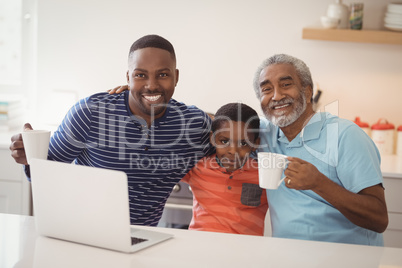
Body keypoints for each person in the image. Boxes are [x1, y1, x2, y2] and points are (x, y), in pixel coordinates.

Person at [10, 34, 212, 226]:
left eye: (163, 74)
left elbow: (232, 135)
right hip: (80, 233)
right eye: (140, 75)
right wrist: (28, 154)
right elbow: (43, 170)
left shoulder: (195, 125)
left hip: (143, 240)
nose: (151, 85)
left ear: (176, 77)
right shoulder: (90, 113)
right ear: (128, 77)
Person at [253, 53, 388, 246]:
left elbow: (379, 219)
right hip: (287, 257)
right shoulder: (264, 134)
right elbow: (219, 122)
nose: (276, 96)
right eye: (267, 89)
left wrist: (319, 183)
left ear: (307, 92)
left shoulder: (346, 135)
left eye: (286, 85)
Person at [181, 103, 268, 236]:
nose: (233, 151)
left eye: (243, 143)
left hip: (246, 251)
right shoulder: (197, 167)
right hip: (199, 246)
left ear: (255, 144)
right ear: (213, 139)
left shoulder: (264, 174)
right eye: (224, 141)